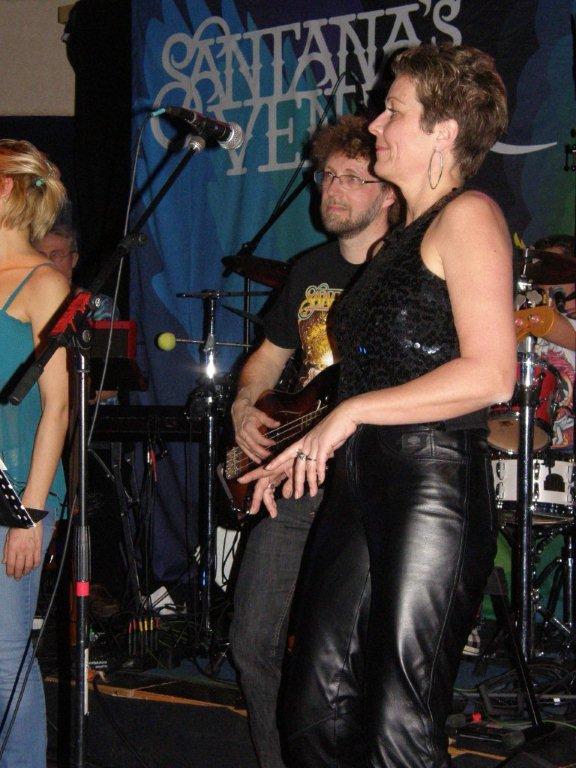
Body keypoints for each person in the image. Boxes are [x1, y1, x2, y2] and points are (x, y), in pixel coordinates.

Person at [241, 44, 517, 768]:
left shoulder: (469, 216)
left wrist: (348, 415)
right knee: (313, 710)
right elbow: (368, 373)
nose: (375, 124)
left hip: (431, 489)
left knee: (398, 721)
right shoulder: (395, 243)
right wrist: (302, 445)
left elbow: (493, 374)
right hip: (360, 484)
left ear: (444, 132)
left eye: (394, 111)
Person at [229, 115, 397, 768]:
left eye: (353, 177)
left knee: (357, 658)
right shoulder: (309, 269)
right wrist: (245, 403)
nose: (333, 189)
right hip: (296, 478)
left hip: (373, 479)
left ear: (388, 191)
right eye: (328, 176)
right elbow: (267, 360)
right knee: (252, 642)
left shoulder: (408, 266)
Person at [0, 139, 69, 767]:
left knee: (4, 663)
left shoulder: (43, 282)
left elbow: (58, 407)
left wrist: (31, 512)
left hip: (16, 492)